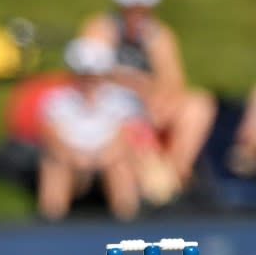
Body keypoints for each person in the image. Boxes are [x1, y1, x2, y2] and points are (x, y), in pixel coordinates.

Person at [79, 0, 216, 192]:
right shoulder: (100, 28)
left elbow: (174, 81)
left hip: (147, 104)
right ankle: (152, 182)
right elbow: (90, 74)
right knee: (123, 116)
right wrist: (131, 82)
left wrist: (156, 102)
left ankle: (177, 171)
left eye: (142, 9)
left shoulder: (159, 35)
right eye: (131, 8)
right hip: (111, 106)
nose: (136, 14)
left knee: (198, 104)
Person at [36, 37, 176, 221]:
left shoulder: (122, 100)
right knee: (54, 167)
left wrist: (99, 159)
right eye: (84, 74)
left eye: (93, 75)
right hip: (71, 161)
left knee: (119, 166)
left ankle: (126, 221)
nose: (88, 80)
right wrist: (77, 160)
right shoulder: (56, 100)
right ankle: (51, 224)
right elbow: (52, 138)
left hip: (109, 159)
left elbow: (123, 140)